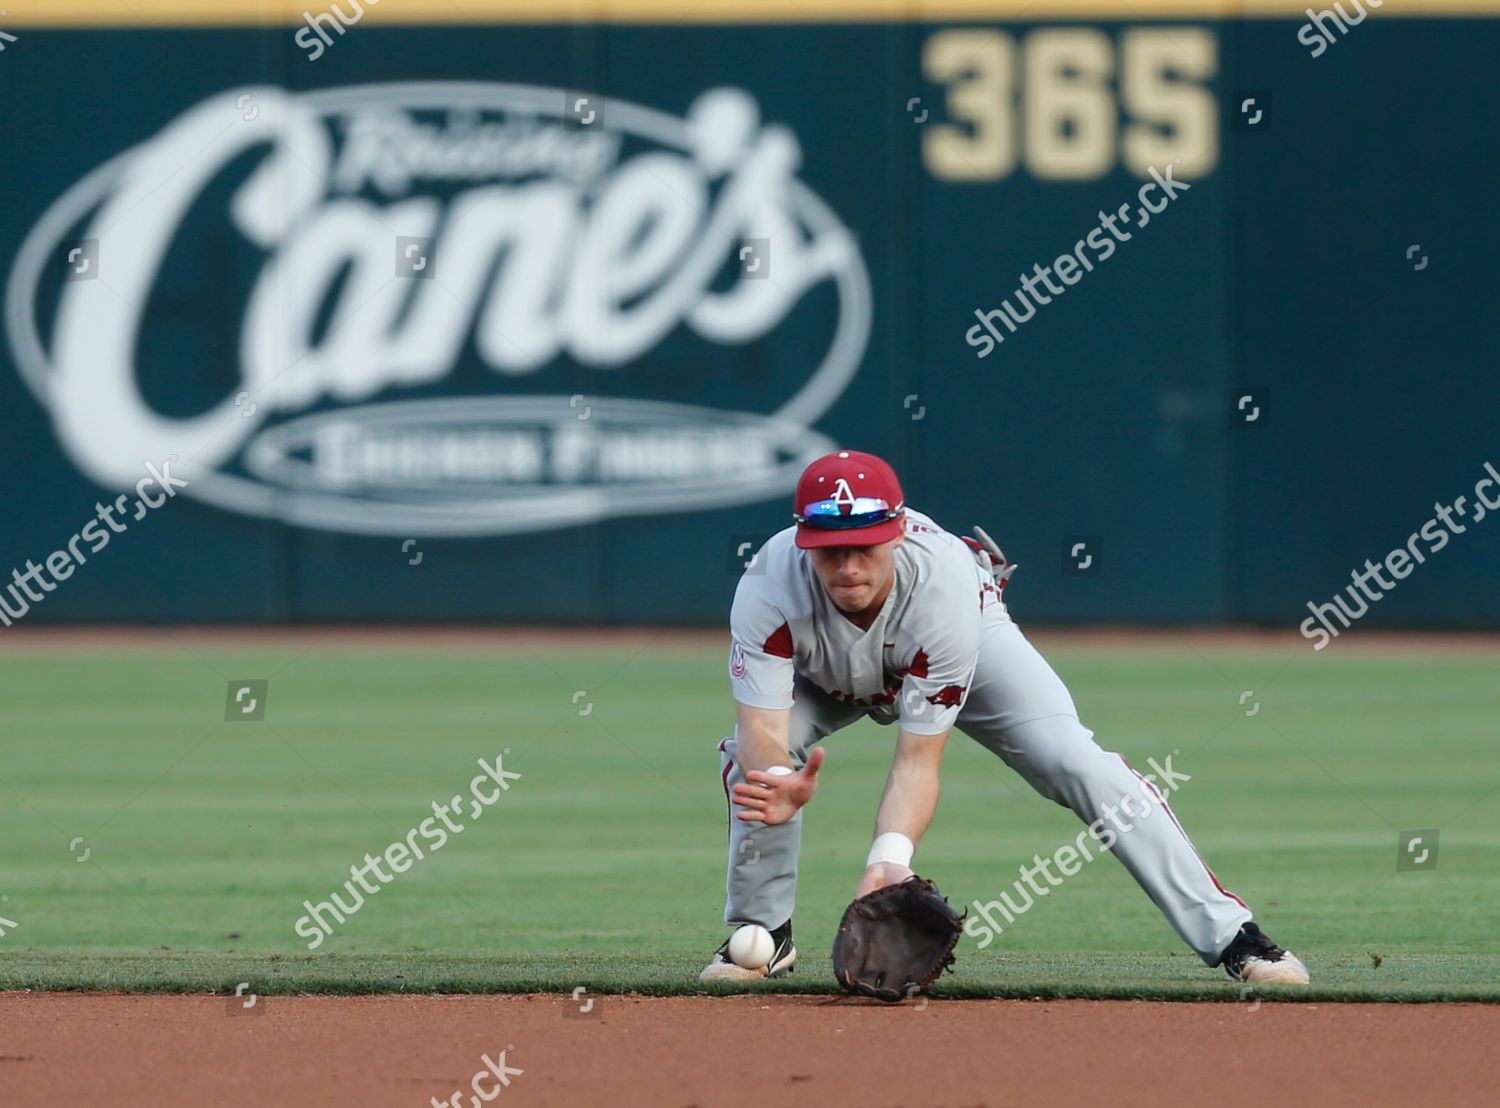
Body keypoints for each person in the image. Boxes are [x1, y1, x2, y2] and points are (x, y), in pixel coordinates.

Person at [701, 449, 1308, 987]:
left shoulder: (942, 587)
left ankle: (1235, 936)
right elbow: (762, 733)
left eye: (865, 543)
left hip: (963, 641)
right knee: (755, 773)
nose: (849, 565)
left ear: (897, 533)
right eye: (830, 550)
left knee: (1075, 762)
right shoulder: (768, 587)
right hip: (825, 669)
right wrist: (775, 782)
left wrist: (888, 861)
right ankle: (764, 934)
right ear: (804, 541)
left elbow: (916, 759)